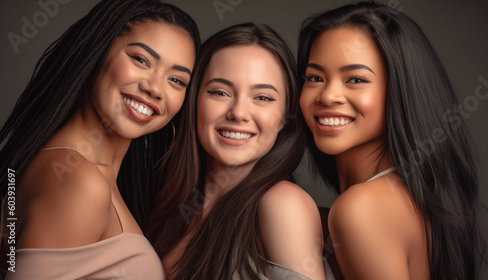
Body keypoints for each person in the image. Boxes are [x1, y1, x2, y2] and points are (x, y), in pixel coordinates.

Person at [0, 0, 200, 278]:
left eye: (177, 80)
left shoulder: (86, 173)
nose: (155, 88)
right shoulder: (78, 180)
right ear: (97, 53)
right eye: (141, 60)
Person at [298, 1, 485, 280]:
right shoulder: (410, 198)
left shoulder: (361, 210)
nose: (327, 96)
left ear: (400, 90)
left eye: (356, 80)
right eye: (315, 77)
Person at [146, 23, 333, 279]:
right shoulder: (171, 200)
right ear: (194, 102)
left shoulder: (283, 204)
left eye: (263, 98)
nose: (238, 113)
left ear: (283, 118)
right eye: (220, 92)